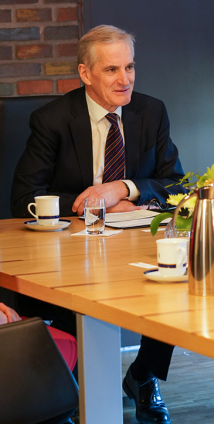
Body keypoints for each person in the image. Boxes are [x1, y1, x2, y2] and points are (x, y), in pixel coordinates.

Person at [10, 25, 184, 424]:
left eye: (130, 67)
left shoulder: (151, 110)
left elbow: (177, 184)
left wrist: (124, 188)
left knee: (176, 288)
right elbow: (22, 201)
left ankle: (142, 376)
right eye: (111, 70)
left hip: (135, 245)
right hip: (68, 252)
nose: (125, 80)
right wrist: (94, 206)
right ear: (85, 74)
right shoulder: (51, 120)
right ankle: (70, 394)